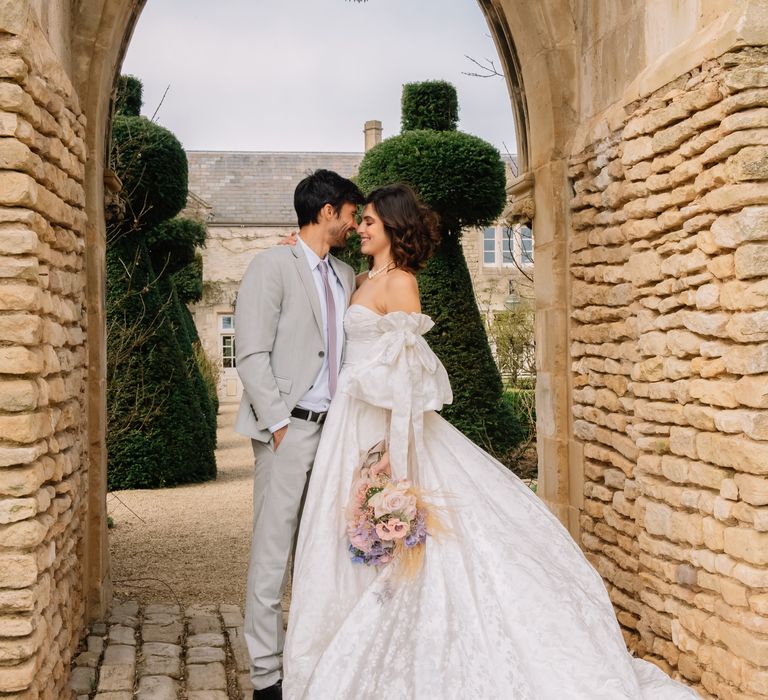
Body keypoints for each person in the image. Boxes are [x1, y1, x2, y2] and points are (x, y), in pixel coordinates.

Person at [282, 183, 699, 699]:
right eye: (359, 220)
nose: (360, 228)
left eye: (368, 220)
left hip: (382, 427)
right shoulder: (360, 277)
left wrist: (394, 461)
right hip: (351, 418)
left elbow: (409, 381)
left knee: (405, 538)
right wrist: (296, 250)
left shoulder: (402, 285)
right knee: (335, 531)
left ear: (391, 226)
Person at [234, 169, 364, 699]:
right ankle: (266, 675)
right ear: (327, 211)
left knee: (323, 551)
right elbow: (250, 353)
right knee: (272, 551)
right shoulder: (271, 265)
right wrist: (279, 424)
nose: (355, 226)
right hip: (289, 431)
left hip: (337, 435)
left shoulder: (348, 275)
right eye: (352, 215)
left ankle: (309, 658)